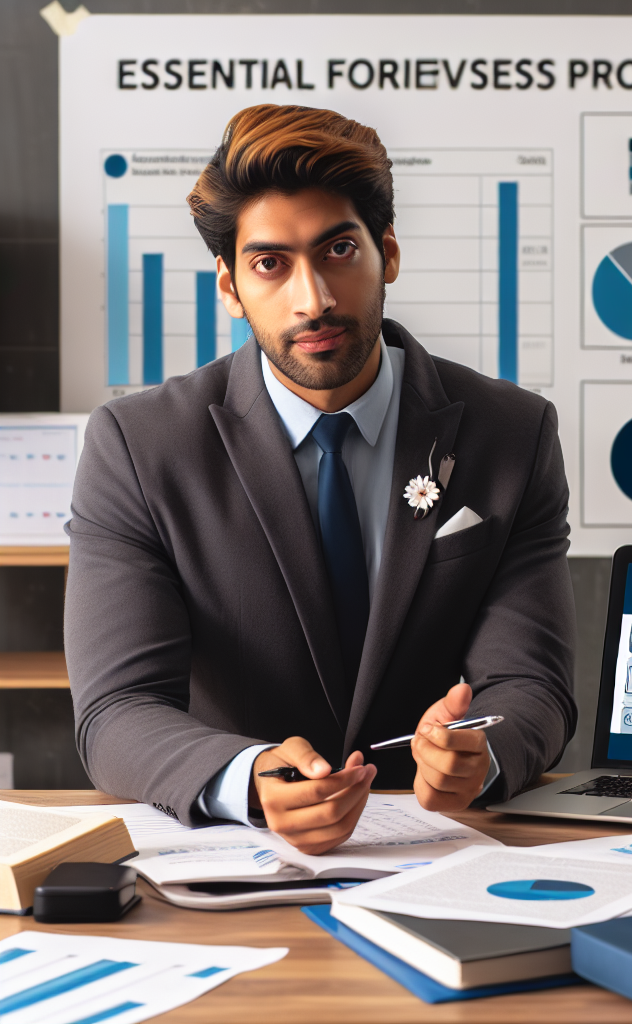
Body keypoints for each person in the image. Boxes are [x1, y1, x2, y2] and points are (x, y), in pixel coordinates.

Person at [65, 104, 576, 855]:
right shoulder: (138, 446)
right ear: (231, 286)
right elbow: (116, 710)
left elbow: (532, 682)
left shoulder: (513, 432)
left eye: (339, 249)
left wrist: (484, 752)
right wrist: (244, 776)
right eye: (271, 263)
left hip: (445, 850)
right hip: (238, 859)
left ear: (387, 252)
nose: (315, 299)